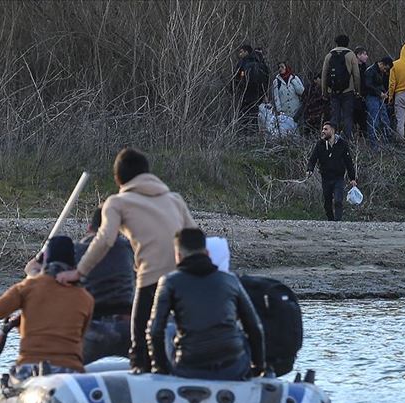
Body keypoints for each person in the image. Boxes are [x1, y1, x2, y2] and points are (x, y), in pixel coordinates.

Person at [56, 148, 196, 374]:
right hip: (183, 277)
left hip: (151, 278)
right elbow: (194, 236)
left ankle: (143, 367)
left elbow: (104, 240)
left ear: (118, 178)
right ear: (148, 173)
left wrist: (79, 272)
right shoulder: (175, 199)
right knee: (174, 329)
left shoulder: (117, 202)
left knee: (139, 336)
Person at [148, 228, 266, 381]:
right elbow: (255, 328)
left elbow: (155, 330)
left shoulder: (169, 282)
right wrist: (258, 368)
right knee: (235, 330)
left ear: (178, 256)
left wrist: (160, 370)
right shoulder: (230, 280)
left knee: (170, 328)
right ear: (207, 253)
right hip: (234, 367)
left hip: (189, 367)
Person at [0, 236, 93, 381]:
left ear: (45, 260)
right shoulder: (85, 298)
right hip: (70, 371)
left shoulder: (27, 288)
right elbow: (77, 337)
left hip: (30, 367)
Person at [75, 206, 135, 364]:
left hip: (92, 329)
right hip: (128, 326)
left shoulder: (77, 250)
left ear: (89, 228)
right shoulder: (128, 248)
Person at [306, 121, 358, 221]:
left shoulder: (342, 144)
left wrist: (352, 178)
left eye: (326, 129)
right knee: (327, 203)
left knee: (338, 200)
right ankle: (331, 221)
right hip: (326, 177)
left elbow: (348, 162)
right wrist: (310, 169)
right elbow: (313, 159)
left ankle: (338, 221)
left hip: (338, 177)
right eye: (323, 129)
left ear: (332, 130)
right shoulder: (320, 144)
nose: (323, 131)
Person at [320, 35, 361, 141]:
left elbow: (324, 75)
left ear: (336, 43)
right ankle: (347, 141)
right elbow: (356, 74)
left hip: (333, 91)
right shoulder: (351, 55)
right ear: (347, 43)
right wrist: (357, 90)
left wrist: (324, 92)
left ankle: (331, 140)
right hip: (348, 91)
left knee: (334, 117)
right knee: (347, 117)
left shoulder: (329, 55)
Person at [232, 44, 270, 129]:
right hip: (256, 95)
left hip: (245, 94)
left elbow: (236, 79)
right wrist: (264, 94)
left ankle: (244, 135)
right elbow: (265, 80)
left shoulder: (244, 63)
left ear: (246, 52)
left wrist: (235, 89)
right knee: (254, 116)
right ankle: (253, 134)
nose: (240, 54)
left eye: (241, 52)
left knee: (244, 116)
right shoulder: (260, 64)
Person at [364, 56, 393, 148]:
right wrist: (379, 93)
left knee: (385, 119)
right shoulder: (370, 71)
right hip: (372, 98)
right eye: (385, 69)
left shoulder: (380, 72)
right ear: (381, 64)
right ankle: (373, 144)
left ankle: (386, 141)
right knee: (374, 120)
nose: (385, 71)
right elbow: (368, 85)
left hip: (380, 98)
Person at [352, 46, 369, 138]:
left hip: (362, 98)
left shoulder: (364, 68)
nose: (367, 57)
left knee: (363, 120)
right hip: (353, 98)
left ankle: (363, 139)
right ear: (358, 55)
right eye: (364, 54)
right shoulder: (352, 67)